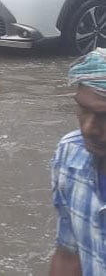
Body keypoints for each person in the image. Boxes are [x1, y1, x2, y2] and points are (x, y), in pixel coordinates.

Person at [50, 49, 106, 275]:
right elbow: (68, 254)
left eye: (104, 116)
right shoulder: (70, 154)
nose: (88, 128)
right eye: (83, 109)